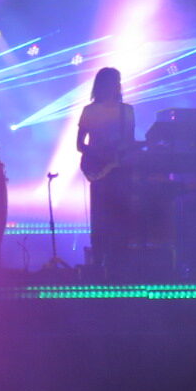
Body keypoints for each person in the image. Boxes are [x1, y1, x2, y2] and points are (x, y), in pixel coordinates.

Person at [77, 67, 135, 275]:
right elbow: (80, 144)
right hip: (99, 170)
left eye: (117, 81)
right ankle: (98, 263)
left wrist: (121, 153)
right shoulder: (90, 111)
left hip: (119, 170)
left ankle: (118, 265)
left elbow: (130, 142)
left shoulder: (127, 111)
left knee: (120, 217)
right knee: (100, 218)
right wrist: (97, 155)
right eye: (112, 81)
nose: (116, 85)